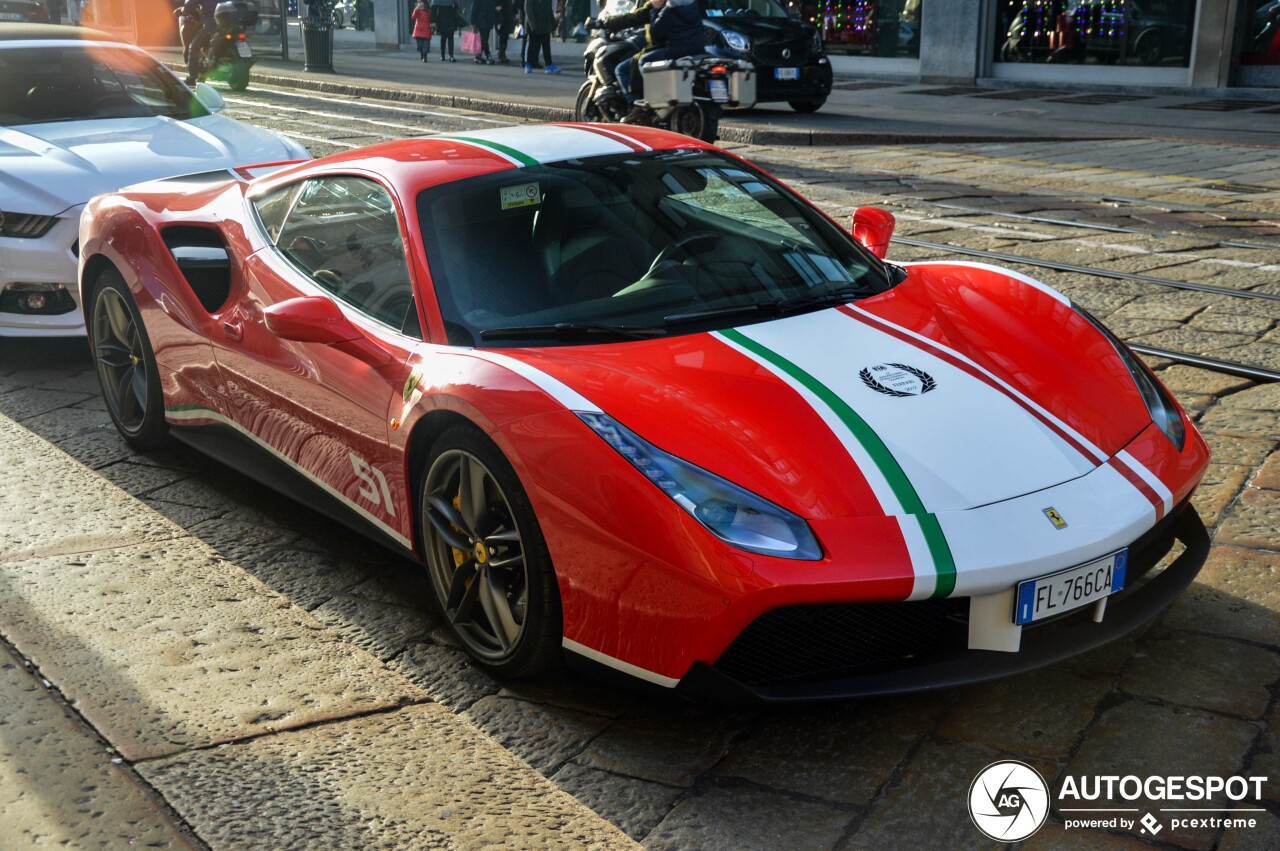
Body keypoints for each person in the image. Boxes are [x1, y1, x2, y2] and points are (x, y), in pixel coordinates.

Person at [602, 0, 703, 121]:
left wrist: (655, 10)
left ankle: (640, 104)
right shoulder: (692, 7)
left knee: (631, 66)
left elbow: (656, 32)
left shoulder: (667, 9)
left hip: (672, 49)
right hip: (696, 49)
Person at [182, 0, 222, 85]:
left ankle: (192, 77)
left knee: (193, 46)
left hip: (211, 25)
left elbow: (187, 8)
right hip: (231, 25)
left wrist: (183, 10)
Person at [522, 0, 559, 73]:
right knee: (531, 46)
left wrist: (553, 23)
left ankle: (549, 64)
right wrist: (533, 25)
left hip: (544, 25)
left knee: (546, 46)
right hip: (533, 25)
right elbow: (528, 10)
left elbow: (549, 10)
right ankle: (528, 64)